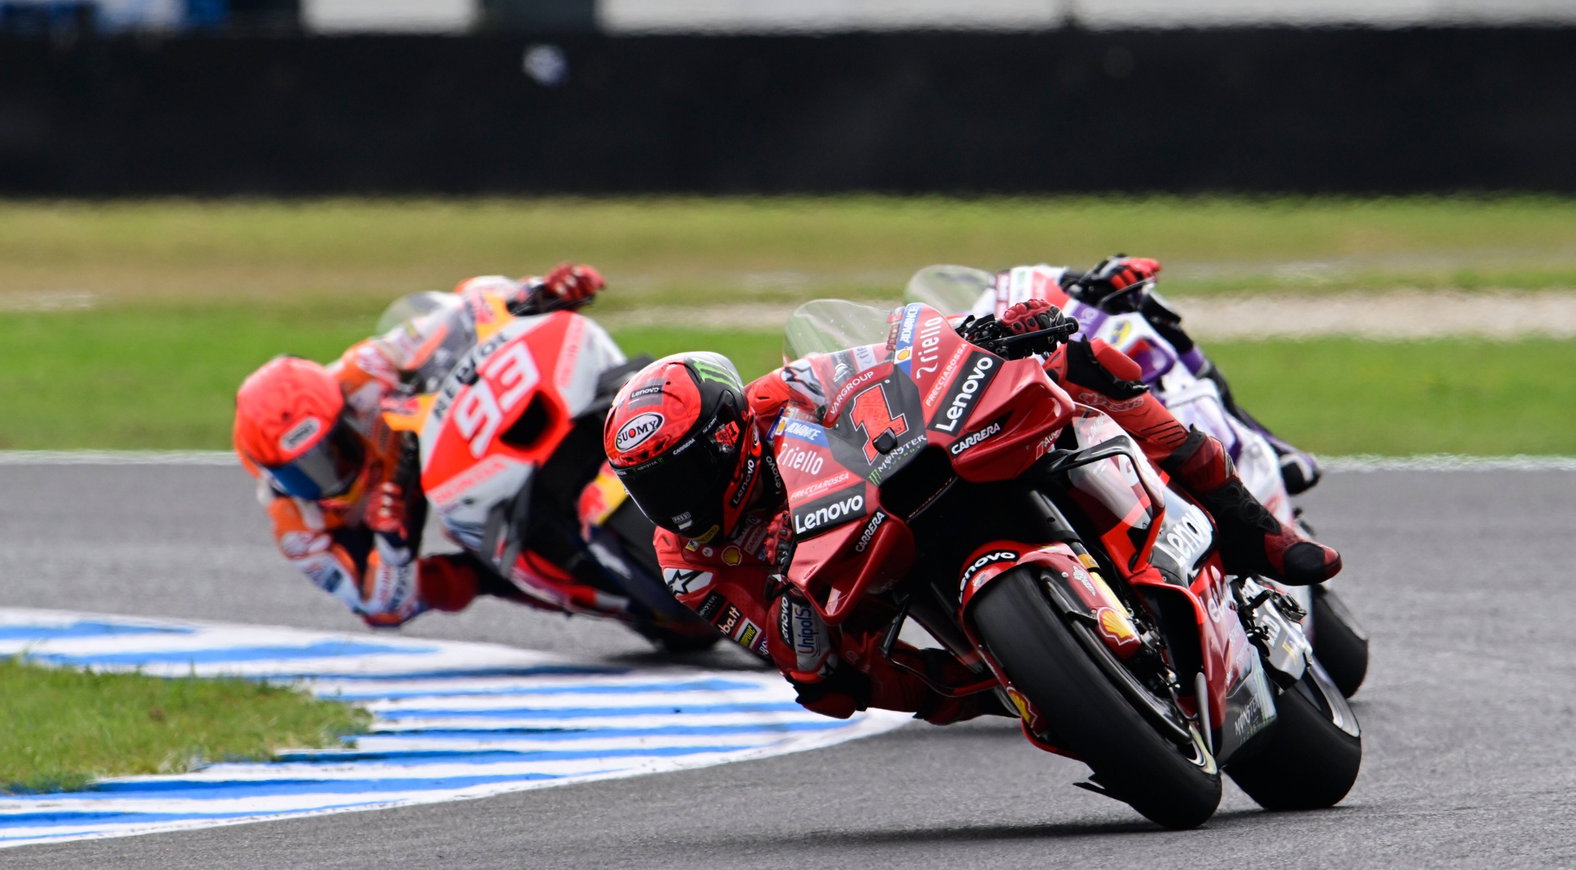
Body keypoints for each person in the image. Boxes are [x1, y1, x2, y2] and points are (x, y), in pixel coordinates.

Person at [600, 303, 1341, 725]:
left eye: (686, 473)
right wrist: (805, 651)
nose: (676, 502)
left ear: (730, 434)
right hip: (861, 581)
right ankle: (1018, 681)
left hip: (902, 485)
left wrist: (978, 335)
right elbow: (803, 671)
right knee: (854, 688)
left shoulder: (775, 397)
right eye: (652, 488)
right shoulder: (687, 561)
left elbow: (890, 359)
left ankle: (1254, 532)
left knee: (1074, 361)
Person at [232, 263, 605, 627]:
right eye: (304, 473)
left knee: (478, 286)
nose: (332, 476)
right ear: (272, 475)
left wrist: (535, 294)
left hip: (428, 440)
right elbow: (376, 605)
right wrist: (394, 544)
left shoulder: (363, 372)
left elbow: (462, 312)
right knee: (415, 595)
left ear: (342, 411)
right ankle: (548, 585)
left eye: (335, 450)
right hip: (389, 525)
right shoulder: (297, 528)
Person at [970, 254, 1323, 494]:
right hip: (1015, 418)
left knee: (1147, 321)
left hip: (1081, 382)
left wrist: (1107, 277)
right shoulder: (929, 332)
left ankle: (1259, 443)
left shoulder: (1002, 291)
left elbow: (1048, 279)